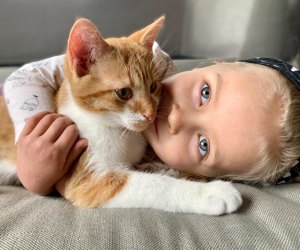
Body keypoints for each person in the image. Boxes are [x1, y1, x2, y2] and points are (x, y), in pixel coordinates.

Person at [3, 46, 300, 195]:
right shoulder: (148, 59)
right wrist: (31, 134)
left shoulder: (172, 169)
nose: (175, 117)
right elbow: (27, 76)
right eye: (205, 93)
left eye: (204, 144)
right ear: (215, 63)